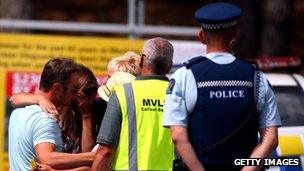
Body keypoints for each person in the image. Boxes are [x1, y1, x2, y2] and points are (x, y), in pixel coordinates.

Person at [163, 2, 281, 171]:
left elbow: (178, 137)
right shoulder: (256, 77)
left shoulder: (184, 76)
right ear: (235, 34)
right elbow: (270, 138)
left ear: (202, 37)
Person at [92, 37, 174, 171]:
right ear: (170, 66)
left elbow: (105, 151)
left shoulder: (122, 93)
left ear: (141, 60)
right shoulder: (179, 95)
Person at [9, 58, 94, 171]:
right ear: (58, 88)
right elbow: (46, 158)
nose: (74, 96)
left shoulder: (19, 111)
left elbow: (14, 99)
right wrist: (93, 157)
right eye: (73, 90)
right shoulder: (45, 118)